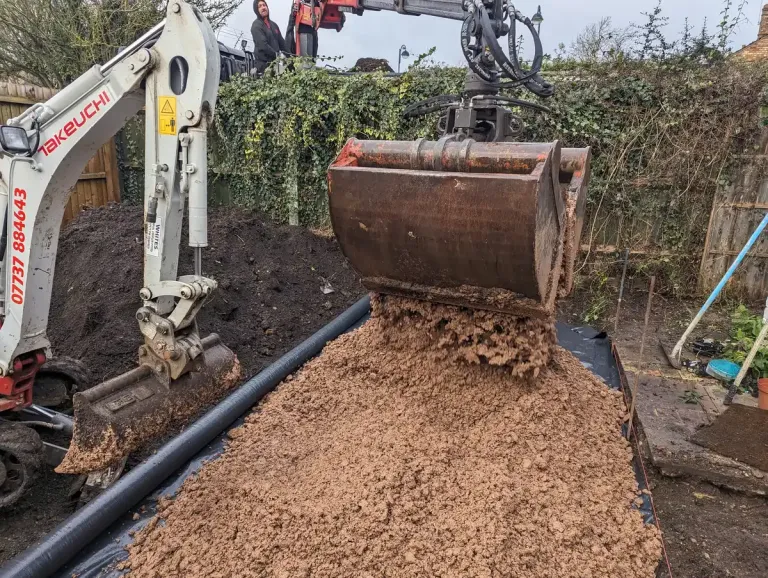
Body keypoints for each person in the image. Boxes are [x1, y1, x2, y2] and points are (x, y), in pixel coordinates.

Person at [251, 0, 287, 74]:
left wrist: (292, 58)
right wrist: (277, 56)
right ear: (256, 10)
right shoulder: (256, 26)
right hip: (263, 67)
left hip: (276, 64)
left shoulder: (274, 25)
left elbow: (283, 44)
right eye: (260, 6)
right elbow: (263, 45)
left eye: (264, 5)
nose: (263, 8)